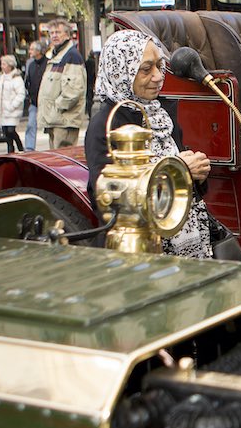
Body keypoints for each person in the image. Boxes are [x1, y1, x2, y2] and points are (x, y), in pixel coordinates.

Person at [85, 30, 215, 259]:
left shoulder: (163, 113)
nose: (158, 76)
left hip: (187, 238)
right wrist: (178, 169)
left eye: (159, 66)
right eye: (146, 69)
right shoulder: (106, 124)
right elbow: (108, 199)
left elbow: (185, 185)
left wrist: (198, 174)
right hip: (139, 250)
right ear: (121, 71)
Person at [38, 18, 88, 149]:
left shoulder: (71, 56)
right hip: (56, 120)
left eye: (58, 32)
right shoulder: (56, 55)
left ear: (67, 34)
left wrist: (56, 108)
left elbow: (73, 92)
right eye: (52, 33)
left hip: (64, 121)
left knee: (63, 161)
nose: (54, 35)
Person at [0, 54, 26, 153]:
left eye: (4, 64)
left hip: (13, 110)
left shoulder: (16, 78)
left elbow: (21, 94)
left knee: (11, 130)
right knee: (6, 133)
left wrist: (13, 105)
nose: (2, 66)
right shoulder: (2, 77)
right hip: (3, 110)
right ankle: (10, 152)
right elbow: (1, 93)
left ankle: (20, 148)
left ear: (10, 65)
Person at [23, 40, 47, 151]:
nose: (30, 51)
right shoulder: (30, 64)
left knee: (51, 127)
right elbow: (28, 80)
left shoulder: (48, 64)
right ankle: (29, 147)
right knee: (31, 125)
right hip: (34, 101)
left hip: (47, 101)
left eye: (32, 49)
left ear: (39, 51)